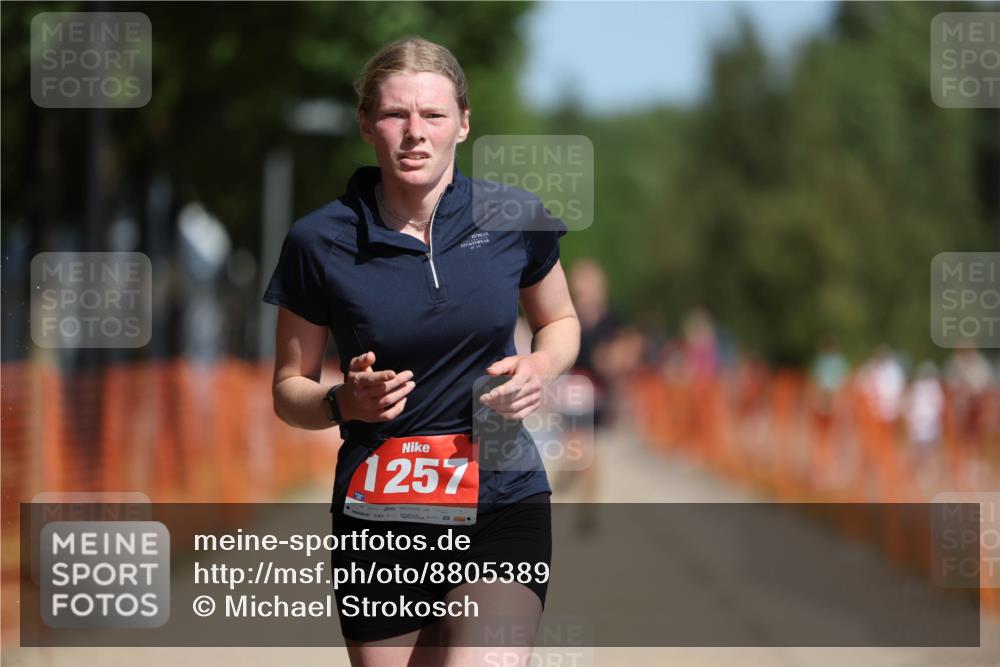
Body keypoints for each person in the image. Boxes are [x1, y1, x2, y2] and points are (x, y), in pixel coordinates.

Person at [263, 36, 580, 666]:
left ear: (463, 123)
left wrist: (540, 366)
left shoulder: (514, 217)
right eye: (394, 114)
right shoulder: (318, 242)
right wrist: (339, 402)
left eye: (433, 115)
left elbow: (562, 320)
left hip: (500, 489)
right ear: (365, 124)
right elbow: (286, 390)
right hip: (382, 508)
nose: (414, 133)